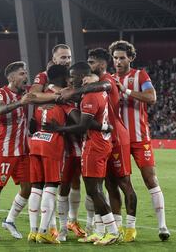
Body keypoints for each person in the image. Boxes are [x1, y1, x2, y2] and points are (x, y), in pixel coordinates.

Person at [59, 48, 137, 242]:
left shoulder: (104, 83)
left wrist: (58, 127)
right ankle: (104, 230)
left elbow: (84, 122)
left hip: (107, 139)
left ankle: (121, 229)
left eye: (92, 62)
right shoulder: (94, 87)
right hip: (103, 137)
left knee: (113, 184)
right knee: (103, 186)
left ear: (101, 65)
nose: (70, 81)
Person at [45, 62, 121, 246]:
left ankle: (112, 232)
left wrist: (59, 128)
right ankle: (99, 231)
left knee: (93, 190)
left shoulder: (88, 96)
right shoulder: (98, 92)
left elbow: (82, 126)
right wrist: (104, 126)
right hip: (102, 143)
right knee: (97, 189)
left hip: (94, 146)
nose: (70, 80)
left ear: (81, 77)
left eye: (73, 77)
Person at [109, 40, 170, 241]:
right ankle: (122, 227)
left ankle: (162, 226)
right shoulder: (108, 79)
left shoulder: (139, 75)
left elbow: (151, 97)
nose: (118, 61)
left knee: (150, 179)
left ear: (131, 58)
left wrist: (124, 90)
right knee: (120, 183)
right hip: (118, 140)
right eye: (115, 58)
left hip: (140, 138)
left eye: (122, 58)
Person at [30, 44, 85, 237]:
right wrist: (58, 95)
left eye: (68, 56)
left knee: (76, 179)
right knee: (54, 181)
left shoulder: (75, 75)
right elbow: (33, 95)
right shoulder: (44, 76)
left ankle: (73, 221)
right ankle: (54, 227)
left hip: (74, 133)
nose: (67, 60)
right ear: (54, 59)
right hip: (53, 133)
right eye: (63, 57)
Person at [0, 61, 36, 242]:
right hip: (5, 149)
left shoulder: (25, 92)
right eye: (22, 74)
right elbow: (0, 109)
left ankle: (9, 220)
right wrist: (20, 102)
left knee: (28, 188)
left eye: (25, 73)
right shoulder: (1, 93)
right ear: (11, 77)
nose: (25, 77)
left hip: (22, 150)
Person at [26, 65, 77, 244]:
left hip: (36, 142)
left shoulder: (41, 95)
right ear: (63, 78)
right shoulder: (63, 98)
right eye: (67, 77)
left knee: (36, 187)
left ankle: (33, 231)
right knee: (51, 186)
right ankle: (44, 231)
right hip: (52, 143)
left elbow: (32, 124)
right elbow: (78, 120)